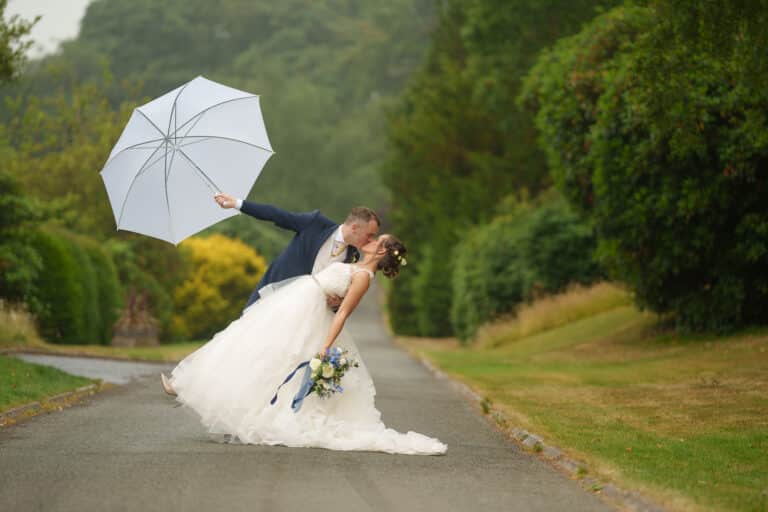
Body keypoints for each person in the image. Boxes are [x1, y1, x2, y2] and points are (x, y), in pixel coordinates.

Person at [161, 234, 447, 455]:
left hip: (308, 317)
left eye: (376, 240)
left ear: (382, 251)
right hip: (296, 305)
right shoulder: (355, 264)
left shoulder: (363, 277)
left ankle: (215, 397)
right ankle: (190, 384)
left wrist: (326, 345)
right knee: (247, 342)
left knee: (267, 356)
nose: (370, 241)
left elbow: (344, 312)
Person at [212, 193, 380, 310]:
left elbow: (342, 300)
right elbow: (277, 215)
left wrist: (336, 303)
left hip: (307, 316)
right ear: (355, 227)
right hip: (274, 297)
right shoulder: (316, 223)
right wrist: (238, 204)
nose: (371, 241)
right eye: (370, 235)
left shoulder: (353, 257)